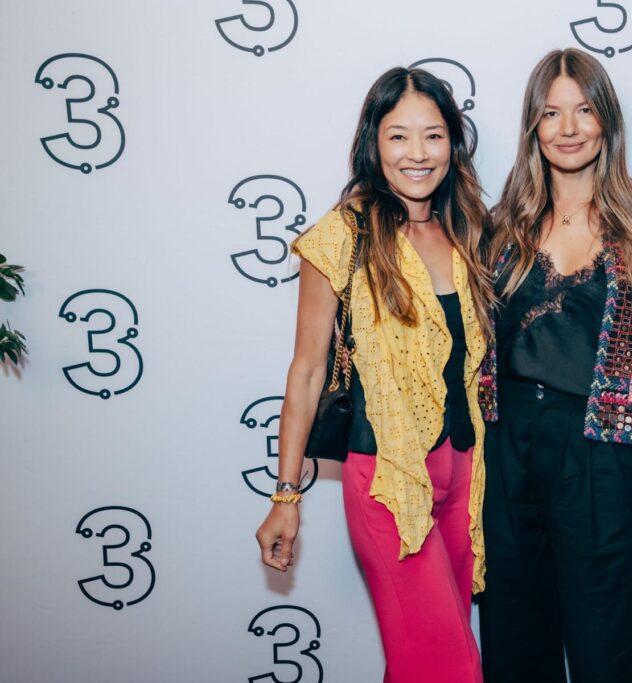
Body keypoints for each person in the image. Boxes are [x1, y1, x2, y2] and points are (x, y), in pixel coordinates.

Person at [255, 67, 494, 683]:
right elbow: (307, 370)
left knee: (421, 661)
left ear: (453, 142)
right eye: (398, 136)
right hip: (387, 479)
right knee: (451, 668)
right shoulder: (343, 235)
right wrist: (286, 498)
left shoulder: (470, 230)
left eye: (433, 135)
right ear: (373, 142)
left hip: (467, 476)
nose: (418, 153)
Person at [478, 48, 632, 683]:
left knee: (609, 642)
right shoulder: (498, 229)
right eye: (551, 113)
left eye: (582, 110)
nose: (568, 128)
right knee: (515, 635)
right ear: (533, 125)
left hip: (600, 449)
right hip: (505, 446)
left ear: (606, 120)